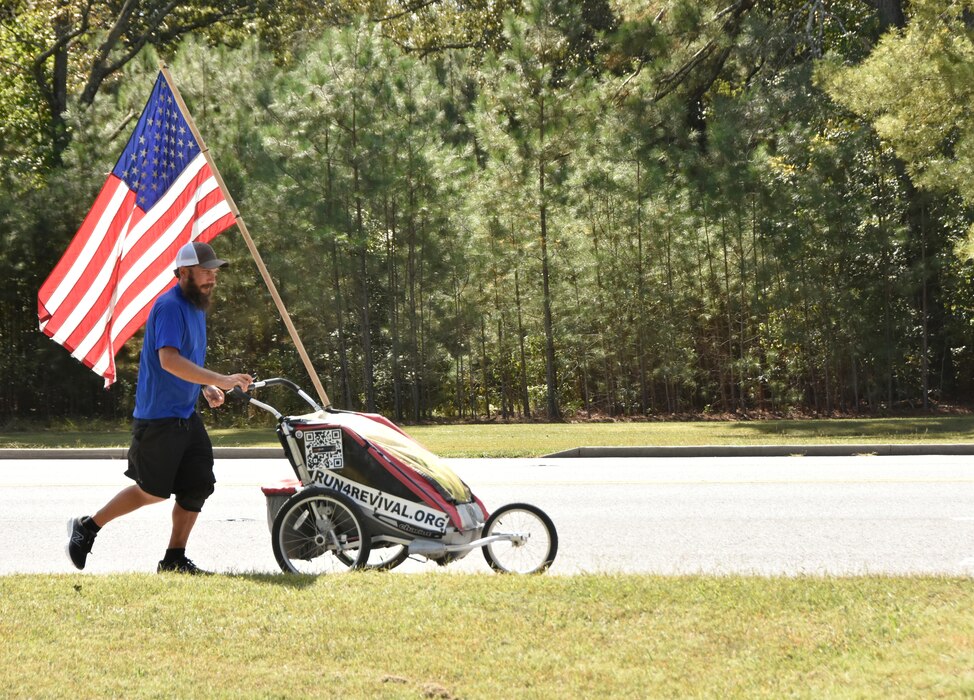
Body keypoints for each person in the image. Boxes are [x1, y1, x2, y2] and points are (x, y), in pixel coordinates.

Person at [67, 241, 253, 574]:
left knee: (197, 485)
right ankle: (88, 526)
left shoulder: (195, 306)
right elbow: (168, 361)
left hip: (185, 415)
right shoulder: (169, 306)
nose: (212, 278)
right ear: (184, 272)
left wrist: (205, 386)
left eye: (214, 272)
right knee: (152, 491)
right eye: (205, 272)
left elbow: (186, 361)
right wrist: (222, 378)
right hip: (158, 418)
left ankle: (174, 559)